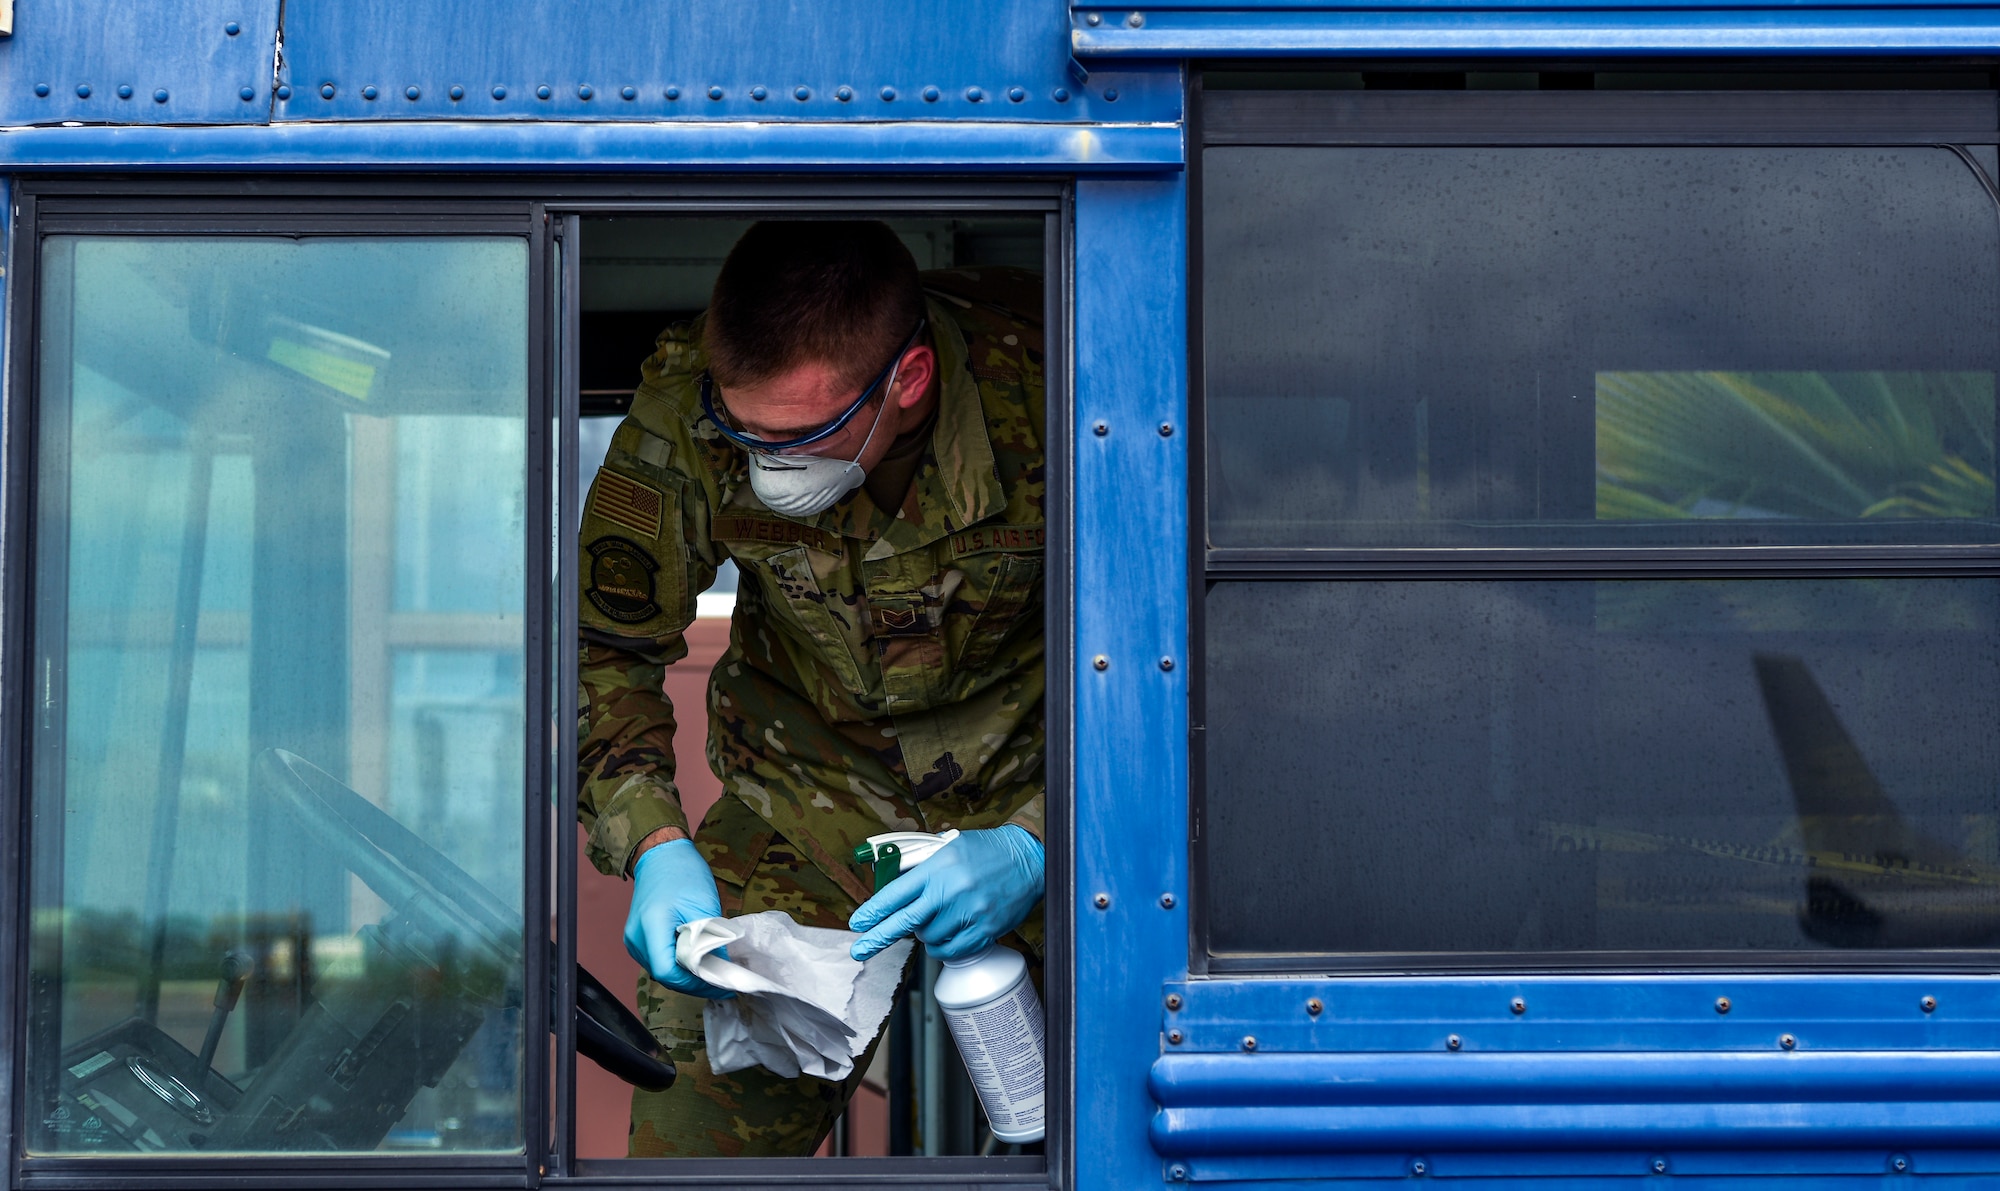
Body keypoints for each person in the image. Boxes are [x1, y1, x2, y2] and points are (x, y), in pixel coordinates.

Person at [576, 220, 1047, 1156]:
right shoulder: (688, 408)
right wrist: (652, 840)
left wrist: (1047, 844)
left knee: (1130, 1129)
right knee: (692, 1161)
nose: (766, 462)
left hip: (1050, 795)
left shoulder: (1058, 376)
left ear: (906, 383)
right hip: (804, 799)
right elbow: (602, 650)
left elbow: (1186, 665)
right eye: (742, 433)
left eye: (799, 437)